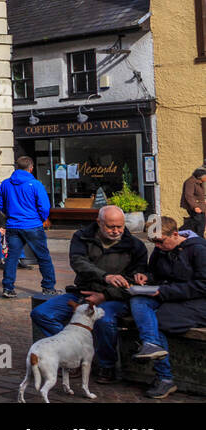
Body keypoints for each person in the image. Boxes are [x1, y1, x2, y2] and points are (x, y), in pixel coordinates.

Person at [29, 204, 146, 387]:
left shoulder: (135, 246)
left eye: (120, 226)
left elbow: (135, 280)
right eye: (111, 226)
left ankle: (107, 366)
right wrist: (105, 277)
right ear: (99, 222)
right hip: (82, 293)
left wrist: (105, 295)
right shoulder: (82, 236)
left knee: (104, 321)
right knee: (41, 313)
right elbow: (78, 262)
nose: (116, 231)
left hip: (113, 298)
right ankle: (71, 353)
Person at [122, 215, 206, 399]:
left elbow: (203, 285)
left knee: (155, 321)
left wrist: (165, 291)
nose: (157, 247)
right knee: (138, 301)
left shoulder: (199, 249)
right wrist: (145, 278)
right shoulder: (161, 249)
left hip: (197, 302)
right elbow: (154, 273)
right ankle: (151, 344)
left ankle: (165, 378)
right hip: (168, 295)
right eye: (154, 243)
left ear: (175, 234)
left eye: (160, 242)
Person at [0, 156, 57, 298]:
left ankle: (8, 288)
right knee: (43, 257)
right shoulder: (35, 184)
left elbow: (0, 205)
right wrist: (40, 219)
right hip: (32, 225)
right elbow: (45, 206)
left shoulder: (5, 184)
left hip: (13, 225)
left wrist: (11, 215)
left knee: (12, 257)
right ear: (31, 168)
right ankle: (48, 287)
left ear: (17, 167)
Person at [180, 167, 206, 238]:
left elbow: (200, 195)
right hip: (194, 206)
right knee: (198, 221)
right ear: (200, 176)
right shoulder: (190, 182)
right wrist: (195, 207)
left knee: (201, 223)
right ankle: (180, 231)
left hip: (201, 206)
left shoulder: (200, 182)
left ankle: (199, 238)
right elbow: (188, 196)